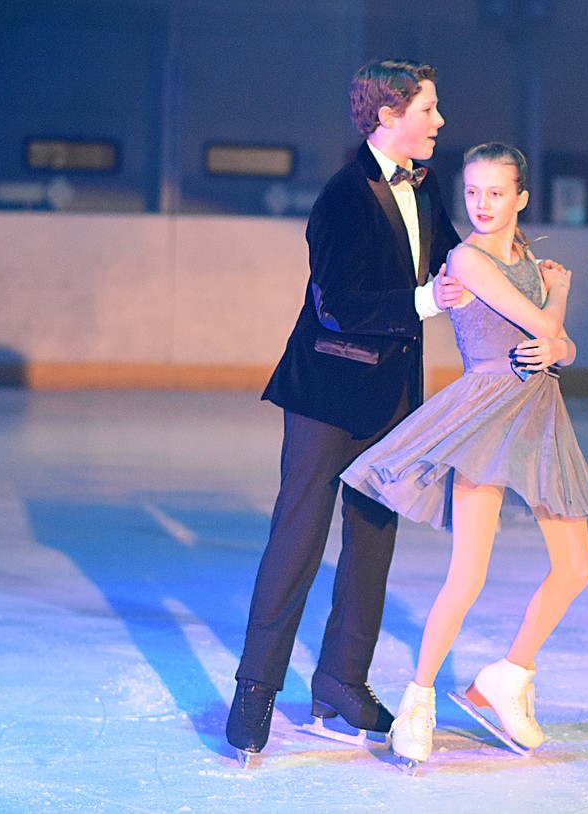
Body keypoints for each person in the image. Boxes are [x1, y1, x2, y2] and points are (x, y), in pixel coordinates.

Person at [225, 59, 463, 759]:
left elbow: (452, 257)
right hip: (327, 394)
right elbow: (335, 306)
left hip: (391, 398)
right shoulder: (341, 198)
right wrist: (422, 303)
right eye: (429, 109)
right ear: (389, 115)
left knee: (372, 542)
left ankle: (340, 680)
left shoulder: (425, 184)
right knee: (297, 540)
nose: (439, 121)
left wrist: (511, 264)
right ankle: (256, 686)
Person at [341, 142, 588, 768]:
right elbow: (547, 331)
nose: (481, 205)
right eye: (473, 193)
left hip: (539, 415)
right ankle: (419, 698)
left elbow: (562, 355)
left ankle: (507, 677)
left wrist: (558, 337)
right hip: (484, 414)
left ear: (521, 199)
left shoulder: (531, 261)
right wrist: (560, 299)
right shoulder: (468, 258)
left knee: (575, 568)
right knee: (469, 574)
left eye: (495, 193)